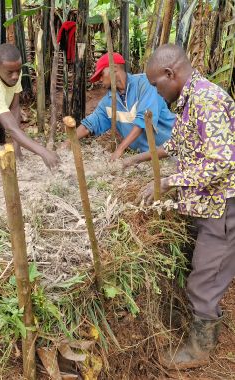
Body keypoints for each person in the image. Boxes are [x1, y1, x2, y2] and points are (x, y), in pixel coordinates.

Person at [125, 44, 235, 370]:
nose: (157, 94)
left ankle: (201, 347)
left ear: (170, 74)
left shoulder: (208, 101)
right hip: (202, 201)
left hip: (221, 205)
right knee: (199, 266)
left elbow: (223, 161)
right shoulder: (189, 101)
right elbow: (179, 143)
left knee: (205, 276)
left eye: (157, 85)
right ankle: (204, 311)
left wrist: (169, 182)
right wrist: (143, 158)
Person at [62, 53, 175, 160]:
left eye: (101, 74)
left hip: (175, 146)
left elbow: (144, 121)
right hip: (148, 156)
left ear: (114, 69)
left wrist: (120, 149)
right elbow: (90, 124)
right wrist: (67, 142)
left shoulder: (145, 84)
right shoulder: (109, 100)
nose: (100, 80)